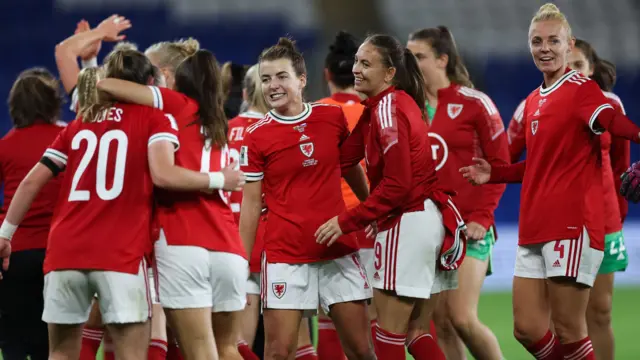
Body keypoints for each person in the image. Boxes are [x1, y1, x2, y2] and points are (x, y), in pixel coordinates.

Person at [0, 50, 243, 360]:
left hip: (64, 253)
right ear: (151, 83)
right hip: (122, 255)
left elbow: (31, 182)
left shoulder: (79, 125)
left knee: (60, 352)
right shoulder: (157, 120)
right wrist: (217, 179)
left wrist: (6, 234)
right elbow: (163, 174)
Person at [460, 4, 640, 360]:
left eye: (553, 41)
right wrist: (493, 173)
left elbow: (614, 122)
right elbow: (537, 167)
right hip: (534, 226)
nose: (544, 48)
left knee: (571, 328)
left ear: (568, 44)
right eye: (537, 41)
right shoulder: (533, 100)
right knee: (526, 328)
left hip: (571, 225)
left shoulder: (582, 89)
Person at [316, 34, 467, 360]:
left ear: (389, 73)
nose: (355, 69)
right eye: (357, 61)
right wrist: (372, 206)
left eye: (366, 63)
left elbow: (398, 186)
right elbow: (344, 160)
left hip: (408, 222)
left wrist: (352, 218)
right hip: (428, 219)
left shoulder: (387, 109)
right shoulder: (384, 107)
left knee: (387, 333)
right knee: (415, 333)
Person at [97, 48, 249, 360]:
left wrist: (154, 90)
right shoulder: (221, 121)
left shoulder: (177, 105)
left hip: (183, 239)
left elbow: (106, 87)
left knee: (198, 352)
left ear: (179, 83)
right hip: (228, 248)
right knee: (228, 348)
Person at [238, 37, 374, 360]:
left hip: (337, 251)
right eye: (266, 78)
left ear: (302, 79)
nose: (272, 85)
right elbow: (252, 204)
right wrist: (241, 264)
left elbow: (350, 167)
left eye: (281, 77)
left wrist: (371, 210)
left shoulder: (330, 118)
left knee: (361, 351)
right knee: (278, 353)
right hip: (286, 257)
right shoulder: (256, 137)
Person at [406, 26, 507, 359]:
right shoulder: (408, 107)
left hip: (469, 228)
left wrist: (482, 216)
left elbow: (500, 165)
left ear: (442, 59)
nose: (411, 62)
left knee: (462, 318)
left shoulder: (475, 104)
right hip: (428, 229)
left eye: (418, 56)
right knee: (443, 324)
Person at [0, 68, 67, 360]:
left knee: (13, 341)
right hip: (58, 254)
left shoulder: (5, 147)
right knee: (49, 344)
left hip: (12, 253)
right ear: (53, 103)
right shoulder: (68, 139)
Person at [314, 30, 373, 360]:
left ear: (326, 75)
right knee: (378, 325)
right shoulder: (377, 111)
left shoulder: (314, 114)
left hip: (333, 228)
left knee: (329, 320)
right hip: (373, 225)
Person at [227, 64, 269, 360]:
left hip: (225, 240)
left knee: (234, 343)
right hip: (265, 241)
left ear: (244, 94)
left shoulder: (224, 130)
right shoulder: (274, 132)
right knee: (291, 343)